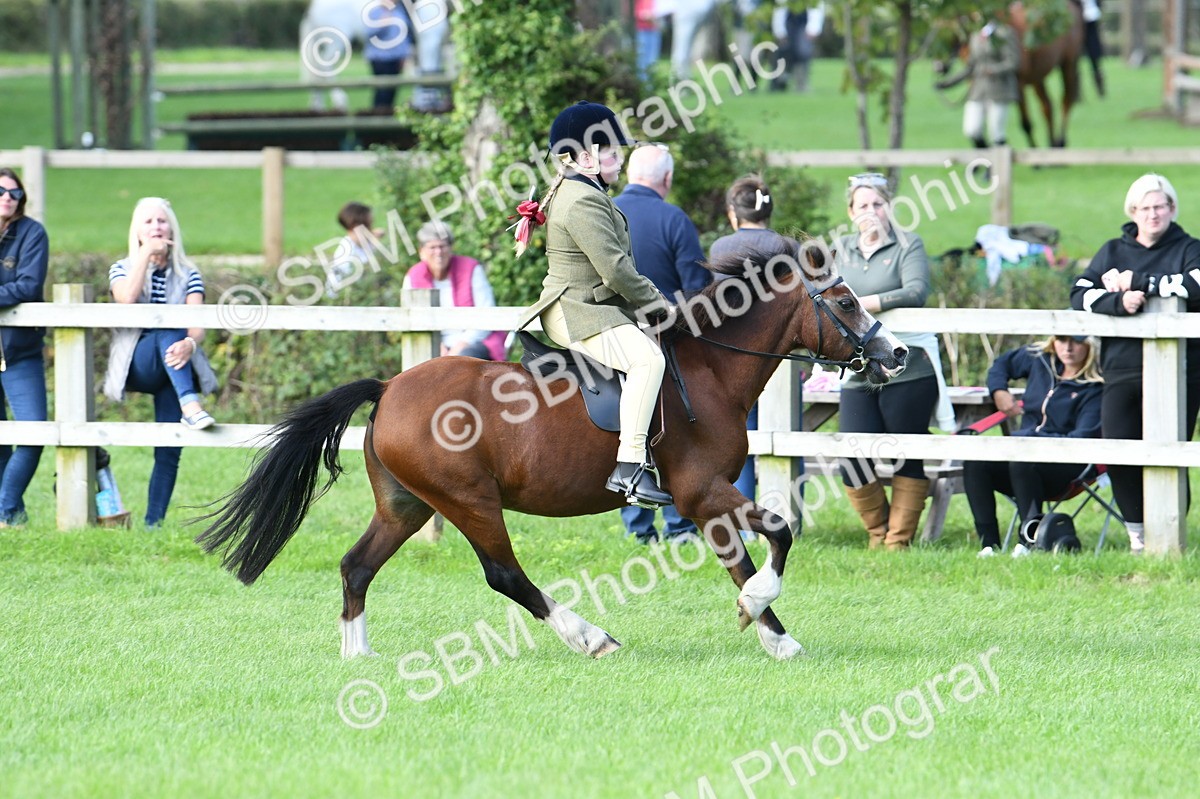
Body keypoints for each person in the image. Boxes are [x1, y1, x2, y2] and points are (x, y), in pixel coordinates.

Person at [516, 100, 674, 507]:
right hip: (577, 310)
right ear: (586, 158)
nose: (621, 160)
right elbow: (616, 269)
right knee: (648, 361)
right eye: (613, 152)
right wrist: (658, 304)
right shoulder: (582, 200)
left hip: (589, 303)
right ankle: (631, 466)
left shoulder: (583, 190)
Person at [1069, 174, 1200, 553]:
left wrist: (1140, 282)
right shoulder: (1112, 251)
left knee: (1169, 452)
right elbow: (1079, 293)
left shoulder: (1190, 248)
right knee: (1119, 450)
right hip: (1122, 368)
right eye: (1145, 208)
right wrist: (1118, 302)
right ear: (1133, 212)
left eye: (1159, 206)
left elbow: (1196, 286)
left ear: (1172, 209)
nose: (1152, 214)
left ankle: (1169, 536)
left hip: (1181, 372)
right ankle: (1137, 534)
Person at [835, 173, 946, 550]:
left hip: (908, 365)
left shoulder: (908, 244)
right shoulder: (840, 248)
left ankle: (898, 542)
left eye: (878, 204)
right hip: (858, 366)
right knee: (852, 454)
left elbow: (915, 291)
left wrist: (861, 305)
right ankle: (877, 533)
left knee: (906, 453)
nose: (871, 211)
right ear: (851, 212)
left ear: (889, 208)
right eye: (863, 205)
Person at [612, 144, 710, 542]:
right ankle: (678, 524)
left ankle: (636, 526)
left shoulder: (603, 212)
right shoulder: (674, 219)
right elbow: (698, 291)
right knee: (671, 432)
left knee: (623, 426)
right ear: (667, 179)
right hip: (665, 342)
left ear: (628, 173)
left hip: (608, 336)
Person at [103, 197, 218, 527]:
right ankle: (191, 406)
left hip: (175, 366)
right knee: (168, 322)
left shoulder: (189, 273)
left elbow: (197, 325)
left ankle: (153, 524)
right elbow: (126, 299)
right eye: (149, 221)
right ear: (137, 230)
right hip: (137, 362)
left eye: (162, 221)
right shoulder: (122, 267)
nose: (156, 227)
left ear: (172, 229)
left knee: (169, 448)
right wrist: (144, 256)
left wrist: (189, 344)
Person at [965, 335, 1103, 558]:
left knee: (1023, 462)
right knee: (976, 463)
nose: (1068, 348)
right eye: (1062, 340)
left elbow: (1081, 438)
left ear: (1090, 344)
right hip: (1023, 457)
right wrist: (999, 391)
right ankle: (988, 546)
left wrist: (1029, 439)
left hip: (1068, 466)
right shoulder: (1040, 359)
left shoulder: (1095, 387)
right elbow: (1001, 364)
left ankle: (1028, 542)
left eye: (1077, 341)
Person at [709, 174, 788, 529]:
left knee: (733, 442)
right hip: (780, 362)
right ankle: (781, 510)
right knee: (783, 440)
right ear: (768, 212)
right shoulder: (787, 247)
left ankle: (741, 519)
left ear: (732, 212)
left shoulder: (721, 247)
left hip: (733, 362)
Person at [0, 168, 49, 528]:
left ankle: (3, 509)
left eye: (14, 193)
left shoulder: (32, 233)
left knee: (34, 432)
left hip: (20, 352)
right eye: (1, 191)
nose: (7, 198)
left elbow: (29, 286)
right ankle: (12, 515)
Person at [403, 221, 506, 360]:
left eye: (442, 246)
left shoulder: (471, 269)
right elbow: (412, 319)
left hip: (473, 343)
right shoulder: (413, 276)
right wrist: (438, 347)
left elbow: (486, 316)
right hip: (433, 343)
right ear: (421, 251)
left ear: (451, 247)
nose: (438, 252)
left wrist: (458, 349)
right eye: (432, 247)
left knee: (464, 362)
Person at [935, 10, 1020, 156]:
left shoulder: (1004, 33)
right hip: (978, 90)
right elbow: (970, 67)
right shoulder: (975, 35)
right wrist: (947, 84)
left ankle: (997, 163)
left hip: (999, 90)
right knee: (971, 129)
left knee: (996, 132)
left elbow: (1013, 61)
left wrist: (994, 70)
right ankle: (986, 159)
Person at [364, 0, 413, 112]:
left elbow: (405, 35)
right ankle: (378, 114)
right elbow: (368, 33)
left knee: (392, 90)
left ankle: (386, 115)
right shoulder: (375, 12)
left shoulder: (399, 11)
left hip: (395, 58)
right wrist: (382, 22)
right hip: (380, 59)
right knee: (382, 91)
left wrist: (404, 55)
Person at [325, 201, 381, 298]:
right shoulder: (347, 252)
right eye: (369, 225)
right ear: (356, 226)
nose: (371, 228)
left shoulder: (366, 244)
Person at [770, 1, 825, 93]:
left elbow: (816, 8)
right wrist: (780, 31)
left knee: (802, 53)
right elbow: (780, 10)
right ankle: (780, 81)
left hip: (803, 23)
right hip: (789, 22)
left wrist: (813, 29)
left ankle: (801, 83)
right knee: (785, 52)